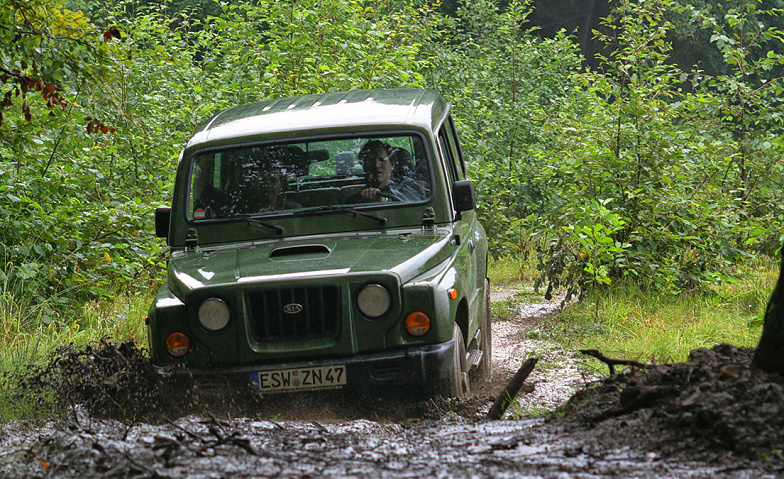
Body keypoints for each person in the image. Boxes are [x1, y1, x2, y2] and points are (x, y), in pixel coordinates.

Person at [352, 140, 425, 203]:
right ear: (364, 166)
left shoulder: (407, 192)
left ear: (392, 164)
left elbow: (413, 212)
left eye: (382, 160)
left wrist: (385, 202)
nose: (376, 165)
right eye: (370, 160)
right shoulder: (355, 199)